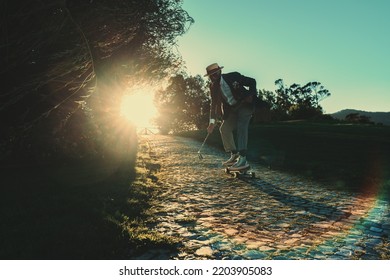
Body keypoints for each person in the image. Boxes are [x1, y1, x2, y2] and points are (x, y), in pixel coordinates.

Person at [205, 63, 257, 171]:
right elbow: (213, 105)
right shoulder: (213, 87)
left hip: (245, 105)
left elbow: (252, 81)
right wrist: (211, 123)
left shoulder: (233, 76)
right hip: (232, 110)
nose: (213, 77)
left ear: (220, 72)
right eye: (211, 76)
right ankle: (234, 155)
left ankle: (243, 159)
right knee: (224, 128)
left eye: (215, 74)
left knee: (241, 127)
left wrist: (250, 96)